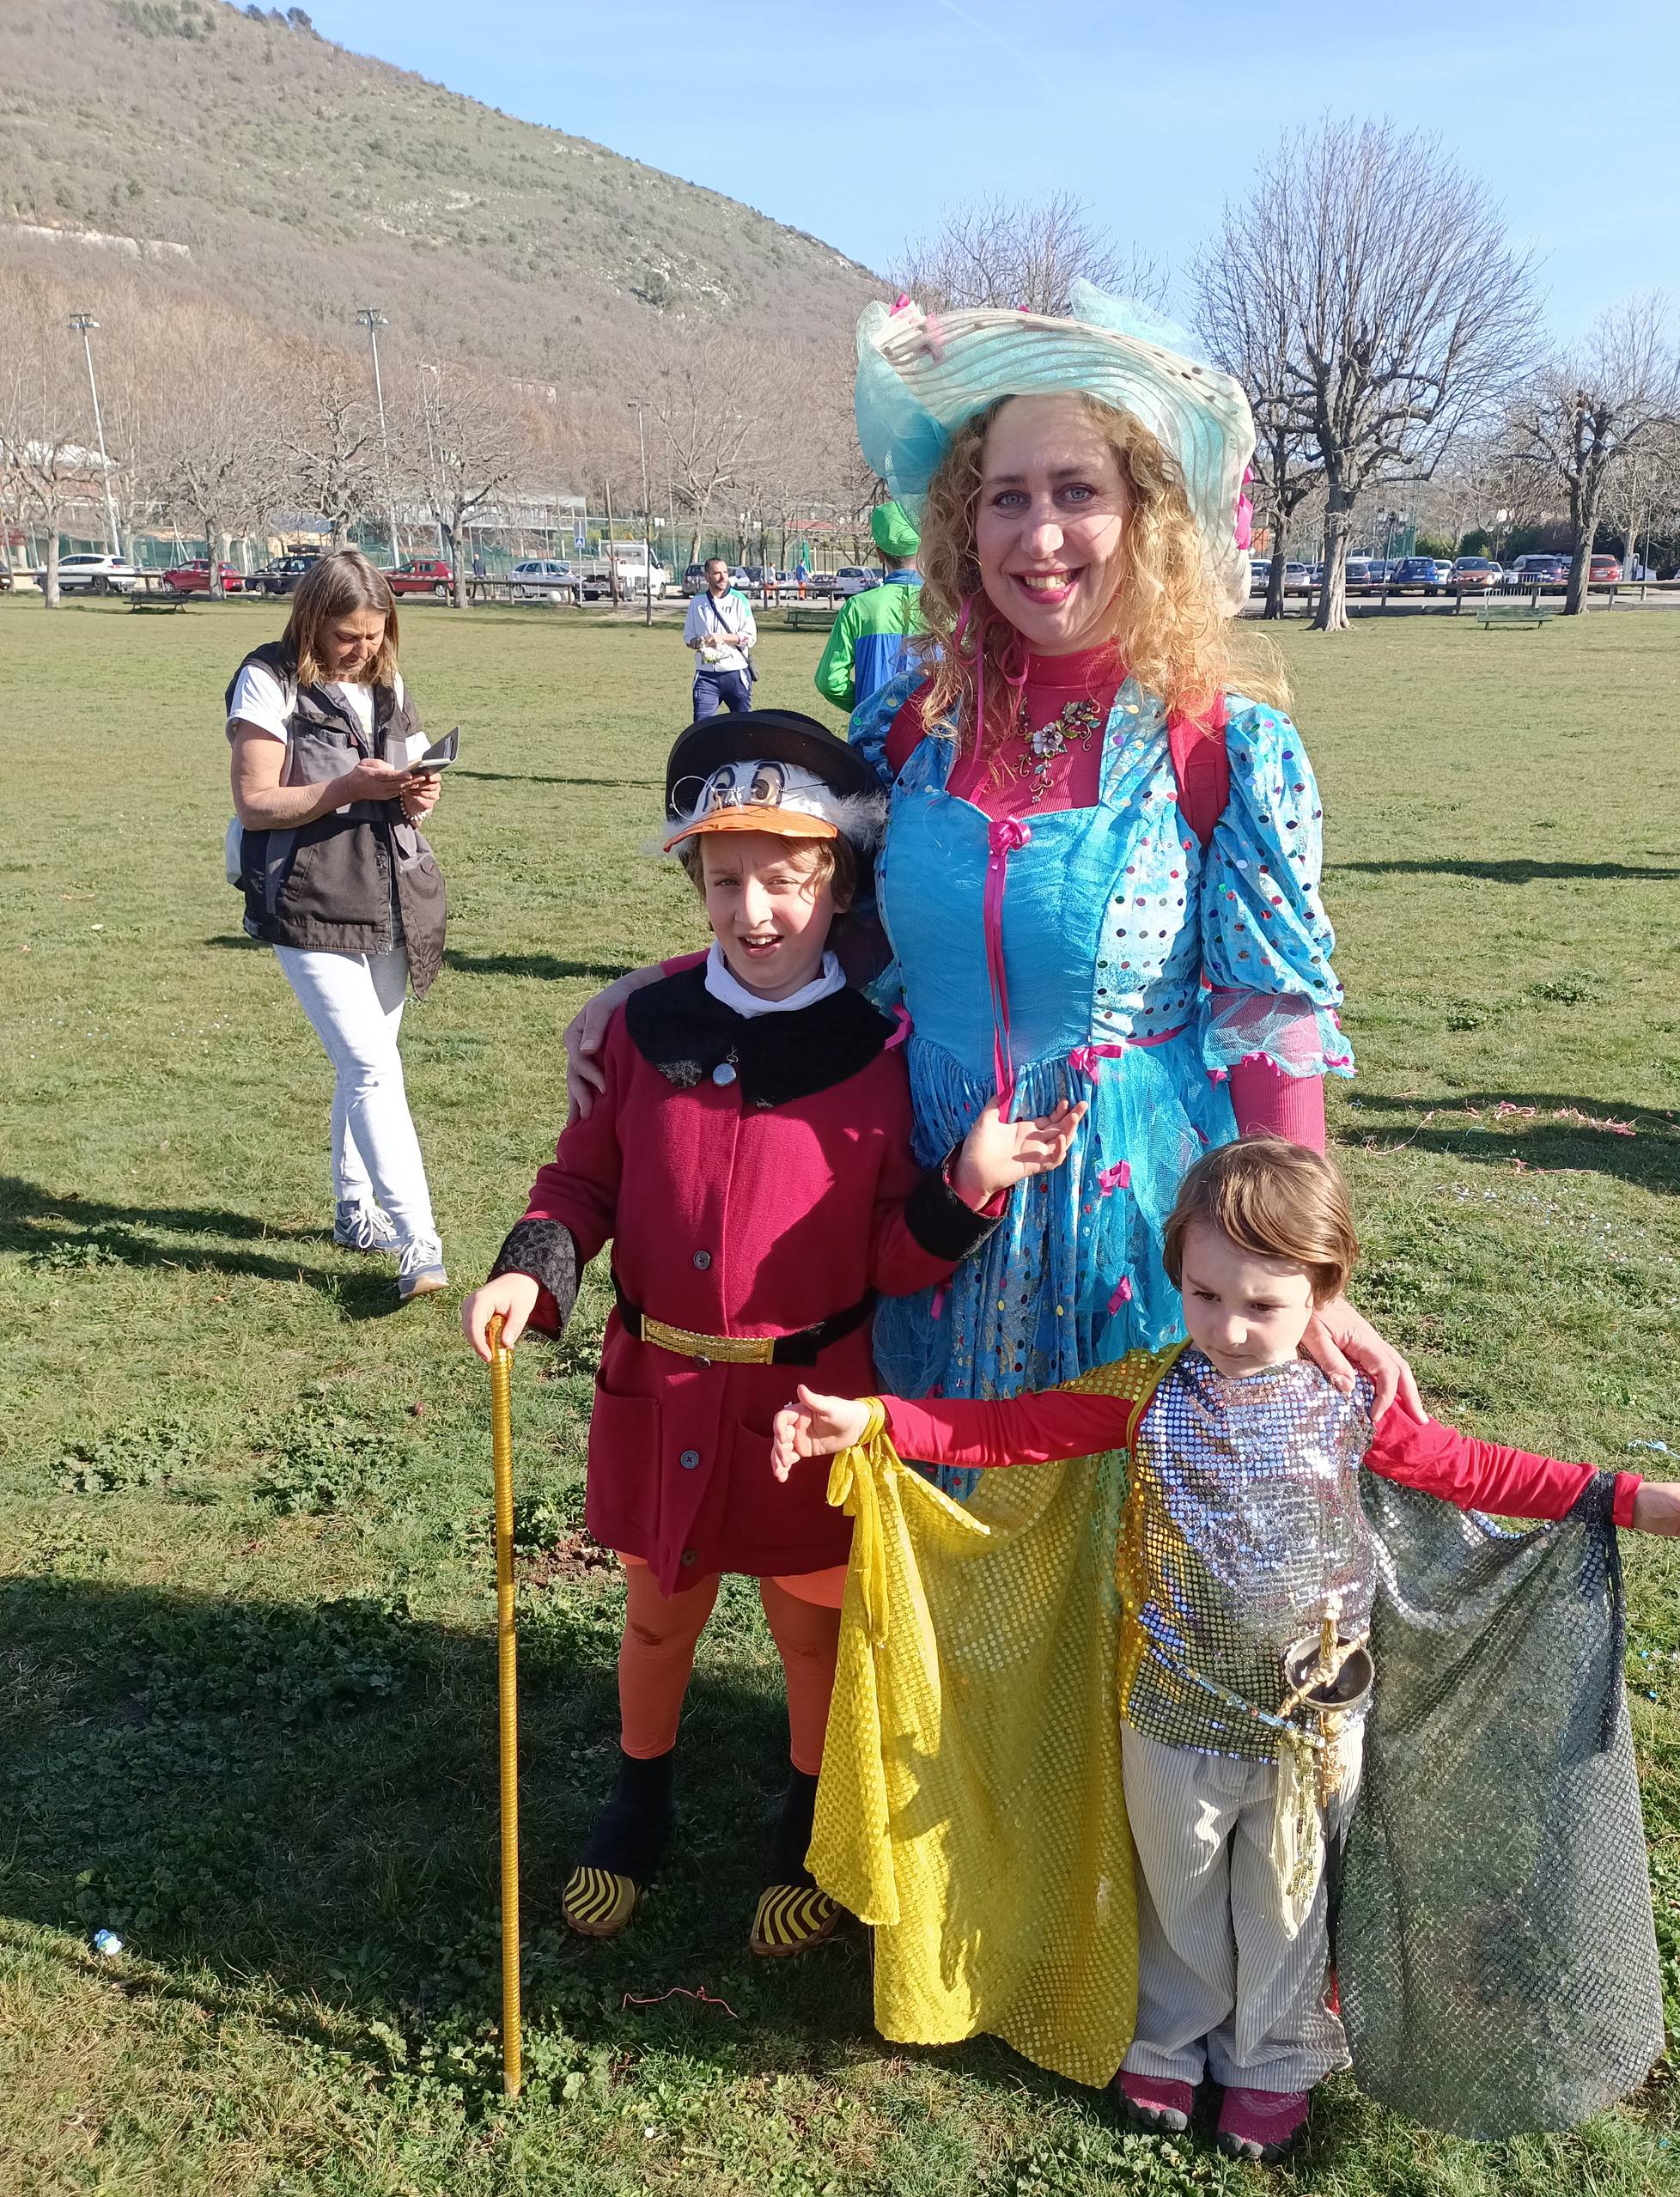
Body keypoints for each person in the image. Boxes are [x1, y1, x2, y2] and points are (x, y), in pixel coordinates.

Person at [772, 1136, 1680, 2159]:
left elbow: (1473, 1469)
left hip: (1308, 1728)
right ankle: (1173, 2038)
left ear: (1324, 1292)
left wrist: (1629, 1498)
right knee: (1179, 1890)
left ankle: (1273, 2056)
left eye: (1264, 1305)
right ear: (1176, 1273)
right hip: (1169, 1718)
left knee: (1287, 1902)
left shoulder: (1353, 1408)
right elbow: (1012, 1431)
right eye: (1203, 1294)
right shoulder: (1146, 1394)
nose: (1229, 1328)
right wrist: (874, 1418)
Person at [566, 283, 1417, 1433]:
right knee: (938, 1517)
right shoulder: (906, 733)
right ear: (965, 525)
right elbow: (843, 947)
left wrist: (1302, 1268)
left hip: (1144, 1223)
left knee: (1124, 1539)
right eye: (1006, 497)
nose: (1042, 534)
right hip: (928, 1204)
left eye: (1078, 492)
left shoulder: (1222, 747)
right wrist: (657, 993)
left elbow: (1272, 1025)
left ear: (1144, 515)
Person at [461, 709, 1082, 1957]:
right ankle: (637, 1804)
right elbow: (581, 1179)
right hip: (663, 1393)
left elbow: (891, 1263)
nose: (755, 912)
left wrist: (963, 1185)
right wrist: (535, 1268)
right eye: (726, 879)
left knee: (811, 1623)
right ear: (694, 880)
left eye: (786, 883)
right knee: (655, 1614)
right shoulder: (646, 1034)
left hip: (808, 1408)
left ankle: (805, 1818)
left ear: (836, 884)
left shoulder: (879, 1054)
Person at [226, 550, 448, 1300]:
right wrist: (346, 787)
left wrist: (417, 796)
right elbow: (256, 801)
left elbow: (412, 782)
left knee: (369, 1061)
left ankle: (354, 1211)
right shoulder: (267, 679)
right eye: (348, 636)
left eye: (376, 634)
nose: (364, 650)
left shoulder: (387, 683)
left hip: (389, 892)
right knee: (371, 1068)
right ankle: (417, 1238)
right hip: (306, 898)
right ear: (312, 620)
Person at [813, 499, 926, 714]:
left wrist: (866, 706)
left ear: (880, 553)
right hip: (933, 737)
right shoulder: (947, 609)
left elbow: (829, 681)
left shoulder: (857, 607)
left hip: (871, 738)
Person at [683, 556, 757, 721]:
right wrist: (697, 643)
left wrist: (721, 638)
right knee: (701, 728)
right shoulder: (697, 602)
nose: (723, 577)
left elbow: (750, 637)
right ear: (707, 576)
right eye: (717, 573)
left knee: (742, 727)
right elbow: (688, 637)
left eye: (725, 572)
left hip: (736, 673)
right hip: (706, 676)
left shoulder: (740, 600)